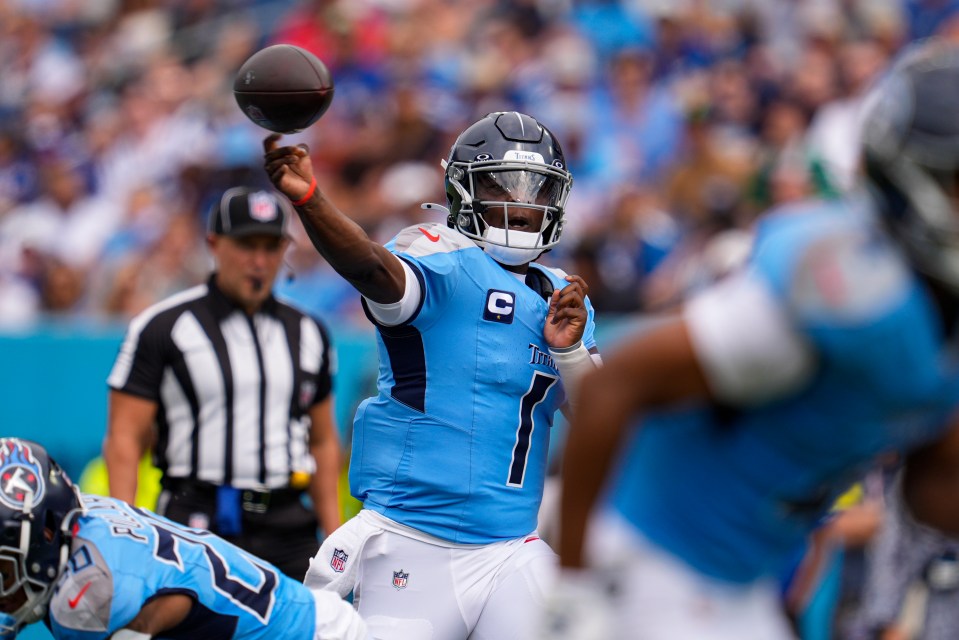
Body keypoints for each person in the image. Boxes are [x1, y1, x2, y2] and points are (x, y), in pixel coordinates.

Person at [541, 39, 959, 640]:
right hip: (656, 559)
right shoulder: (851, 287)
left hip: (740, 581)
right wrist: (574, 587)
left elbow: (931, 490)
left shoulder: (937, 319)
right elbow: (618, 385)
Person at [262, 110, 600, 639]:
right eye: (503, 185)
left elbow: (599, 415)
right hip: (410, 542)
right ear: (463, 190)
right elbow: (372, 268)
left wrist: (573, 350)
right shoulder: (438, 256)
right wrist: (311, 200)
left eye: (537, 188)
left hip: (510, 549)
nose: (522, 203)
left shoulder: (565, 295)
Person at [103, 186, 341, 580]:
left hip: (288, 523)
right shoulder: (163, 326)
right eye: (247, 245)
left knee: (320, 615)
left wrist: (333, 537)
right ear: (214, 244)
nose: (259, 261)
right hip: (197, 518)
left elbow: (322, 440)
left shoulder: (310, 332)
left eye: (271, 246)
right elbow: (125, 437)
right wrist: (125, 534)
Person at [0, 437, 368, 640]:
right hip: (312, 617)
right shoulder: (85, 518)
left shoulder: (89, 595)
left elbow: (178, 597)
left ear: (45, 534)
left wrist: (138, 629)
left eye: (2, 568)